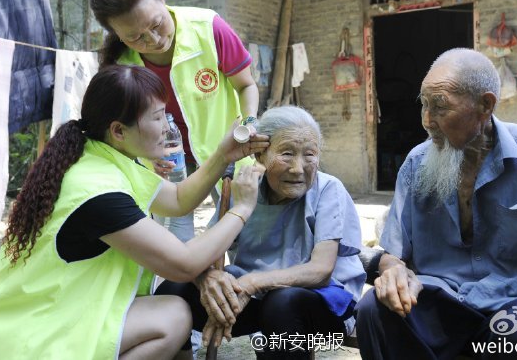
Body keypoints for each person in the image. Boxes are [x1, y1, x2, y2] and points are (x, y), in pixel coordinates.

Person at [0, 65, 268, 360]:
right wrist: (241, 209)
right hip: (33, 337)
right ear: (119, 131)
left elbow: (177, 199)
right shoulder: (98, 190)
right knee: (173, 317)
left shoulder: (100, 156)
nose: (168, 128)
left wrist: (222, 154)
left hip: (41, 312)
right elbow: (184, 264)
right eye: (158, 117)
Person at [356, 48, 517, 360]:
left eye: (440, 107)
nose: (427, 121)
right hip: (440, 298)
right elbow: (394, 253)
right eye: (424, 106)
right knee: (373, 310)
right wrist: (392, 270)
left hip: (514, 302)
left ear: (485, 105)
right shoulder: (416, 164)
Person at [156, 105, 366, 359]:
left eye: (309, 155)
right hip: (255, 298)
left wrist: (251, 283)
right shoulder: (246, 188)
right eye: (287, 154)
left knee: (281, 305)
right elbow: (202, 253)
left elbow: (320, 270)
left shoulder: (328, 189)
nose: (299, 168)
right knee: (173, 291)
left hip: (322, 304)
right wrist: (206, 278)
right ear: (260, 157)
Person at [89, 0, 259, 244]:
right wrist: (146, 158)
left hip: (228, 151)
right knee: (174, 243)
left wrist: (249, 124)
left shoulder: (208, 27)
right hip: (167, 165)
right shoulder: (121, 66)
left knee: (240, 236)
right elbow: (121, 131)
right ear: (117, 35)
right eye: (135, 37)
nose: (153, 40)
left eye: (156, 24)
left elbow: (246, 85)